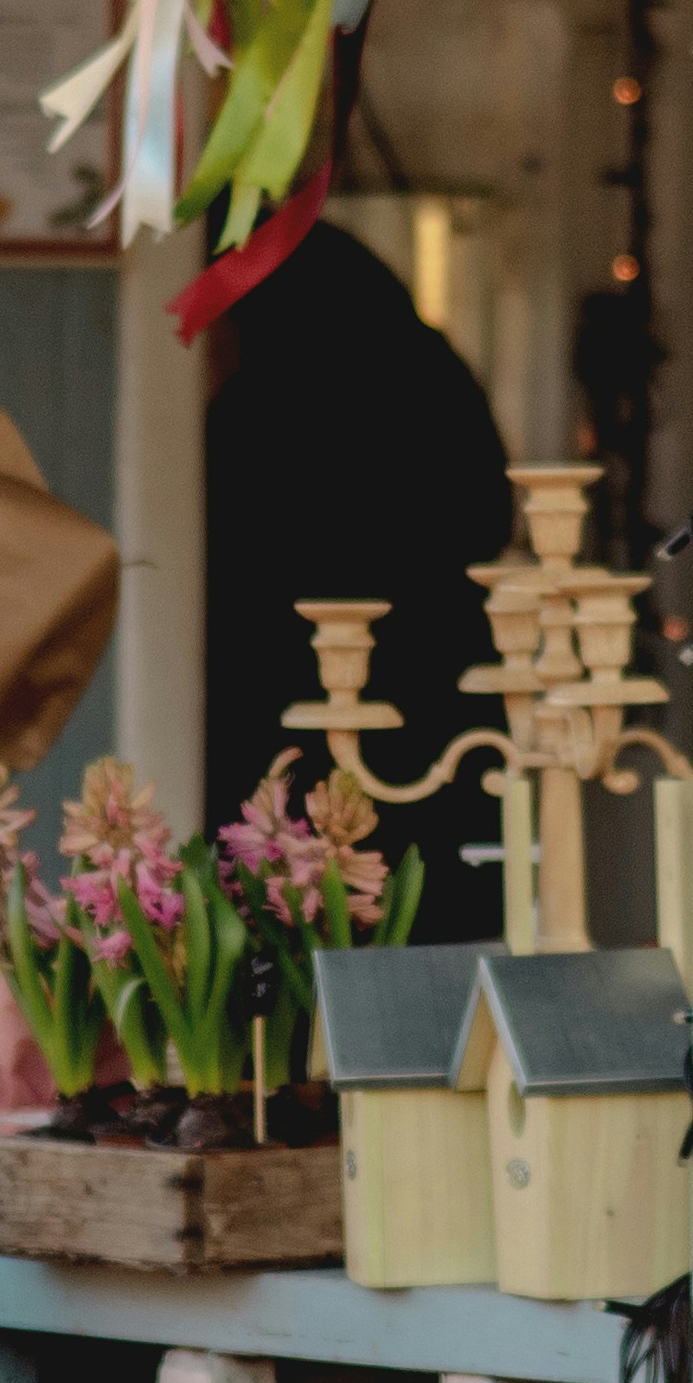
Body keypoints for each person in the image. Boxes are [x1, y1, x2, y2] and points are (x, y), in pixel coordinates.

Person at [200, 216, 518, 937]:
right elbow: (487, 519)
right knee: (423, 917)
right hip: (439, 693)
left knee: (299, 921)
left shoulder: (266, 411)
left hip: (297, 698)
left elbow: (224, 562)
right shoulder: (434, 378)